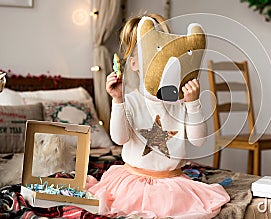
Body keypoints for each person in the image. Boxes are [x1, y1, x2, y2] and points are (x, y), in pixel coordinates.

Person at [87, 14, 230, 218]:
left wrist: (193, 103)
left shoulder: (181, 103)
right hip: (133, 179)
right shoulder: (132, 100)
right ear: (134, 64)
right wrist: (117, 100)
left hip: (172, 182)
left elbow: (198, 141)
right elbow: (119, 139)